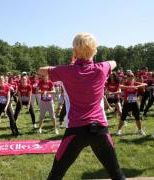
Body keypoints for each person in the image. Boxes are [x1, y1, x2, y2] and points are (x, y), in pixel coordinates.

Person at [38, 33, 125, 179]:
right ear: (94, 51)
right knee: (117, 175)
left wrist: (70, 64)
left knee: (56, 175)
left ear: (74, 51)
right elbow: (113, 62)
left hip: (75, 131)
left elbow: (41, 70)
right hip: (99, 130)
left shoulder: (66, 71)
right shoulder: (101, 68)